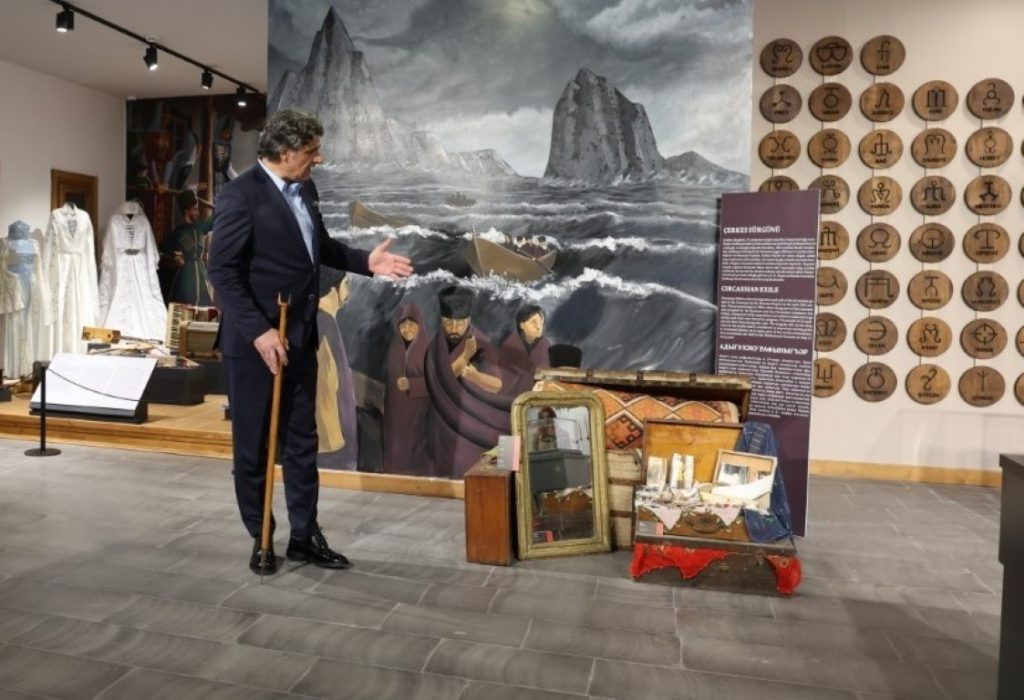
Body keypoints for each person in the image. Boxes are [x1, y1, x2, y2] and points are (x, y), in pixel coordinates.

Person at [207, 108, 413, 576]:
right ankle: (261, 537)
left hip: (300, 336)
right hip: (255, 345)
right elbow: (222, 271)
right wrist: (260, 332)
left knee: (303, 442)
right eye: (312, 150)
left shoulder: (307, 190)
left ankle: (304, 536)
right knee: (254, 448)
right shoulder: (240, 196)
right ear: (284, 152)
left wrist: (365, 262)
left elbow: (318, 248)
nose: (319, 158)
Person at [423, 285, 509, 478]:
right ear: (442, 320)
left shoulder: (480, 343)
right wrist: (463, 358)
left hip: (474, 417)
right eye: (448, 323)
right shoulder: (435, 346)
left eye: (460, 323)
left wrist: (473, 376)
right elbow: (438, 379)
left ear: (468, 320)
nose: (454, 329)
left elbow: (496, 385)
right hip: (442, 419)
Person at [383, 302, 431, 474]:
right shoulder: (394, 348)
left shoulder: (428, 349)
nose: (407, 329)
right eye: (403, 325)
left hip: (420, 416)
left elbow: (437, 383)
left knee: (416, 456)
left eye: (411, 324)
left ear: (420, 325)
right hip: (395, 417)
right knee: (395, 452)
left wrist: (413, 384)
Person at [162, 189, 213, 306]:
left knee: (204, 308)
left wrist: (218, 206)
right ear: (187, 210)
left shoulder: (200, 227)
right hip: (186, 276)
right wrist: (176, 257)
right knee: (184, 307)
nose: (197, 212)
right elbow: (163, 246)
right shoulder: (179, 232)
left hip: (200, 274)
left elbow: (216, 219)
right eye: (195, 209)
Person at [498, 303, 550, 396]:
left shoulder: (544, 345)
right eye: (533, 322)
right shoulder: (511, 345)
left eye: (541, 322)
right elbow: (505, 382)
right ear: (522, 325)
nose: (539, 327)